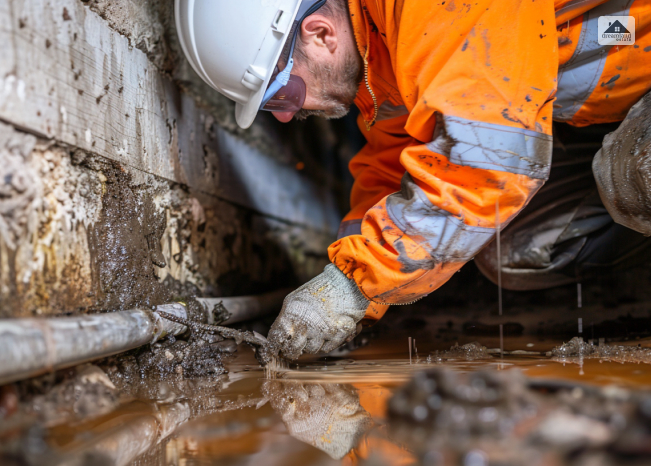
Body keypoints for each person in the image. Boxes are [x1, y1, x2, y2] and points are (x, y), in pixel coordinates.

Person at [177, 0, 651, 362]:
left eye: (283, 94)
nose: (285, 117)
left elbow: (487, 166)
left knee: (634, 172)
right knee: (515, 250)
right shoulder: (380, 45)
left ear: (320, 34)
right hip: (616, 97)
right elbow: (392, 166)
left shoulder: (439, 9)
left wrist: (352, 288)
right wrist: (352, 287)